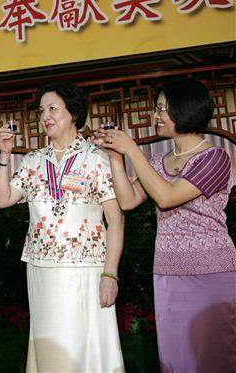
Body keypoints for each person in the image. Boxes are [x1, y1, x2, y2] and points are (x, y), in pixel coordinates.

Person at [94, 77, 236, 372]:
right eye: (156, 108)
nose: (155, 115)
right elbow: (128, 201)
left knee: (214, 356)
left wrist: (133, 150)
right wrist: (116, 158)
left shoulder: (215, 158)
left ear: (185, 110)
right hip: (167, 271)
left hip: (211, 272)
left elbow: (167, 197)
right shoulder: (158, 161)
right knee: (175, 357)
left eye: (162, 109)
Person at [0, 82, 125, 372]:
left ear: (74, 113)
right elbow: (2, 199)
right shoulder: (33, 161)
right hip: (41, 270)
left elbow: (115, 219)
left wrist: (110, 274)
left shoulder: (96, 158)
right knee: (50, 346)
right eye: (42, 111)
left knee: (85, 346)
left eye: (53, 109)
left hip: (86, 271)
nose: (45, 117)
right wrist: (4, 157)